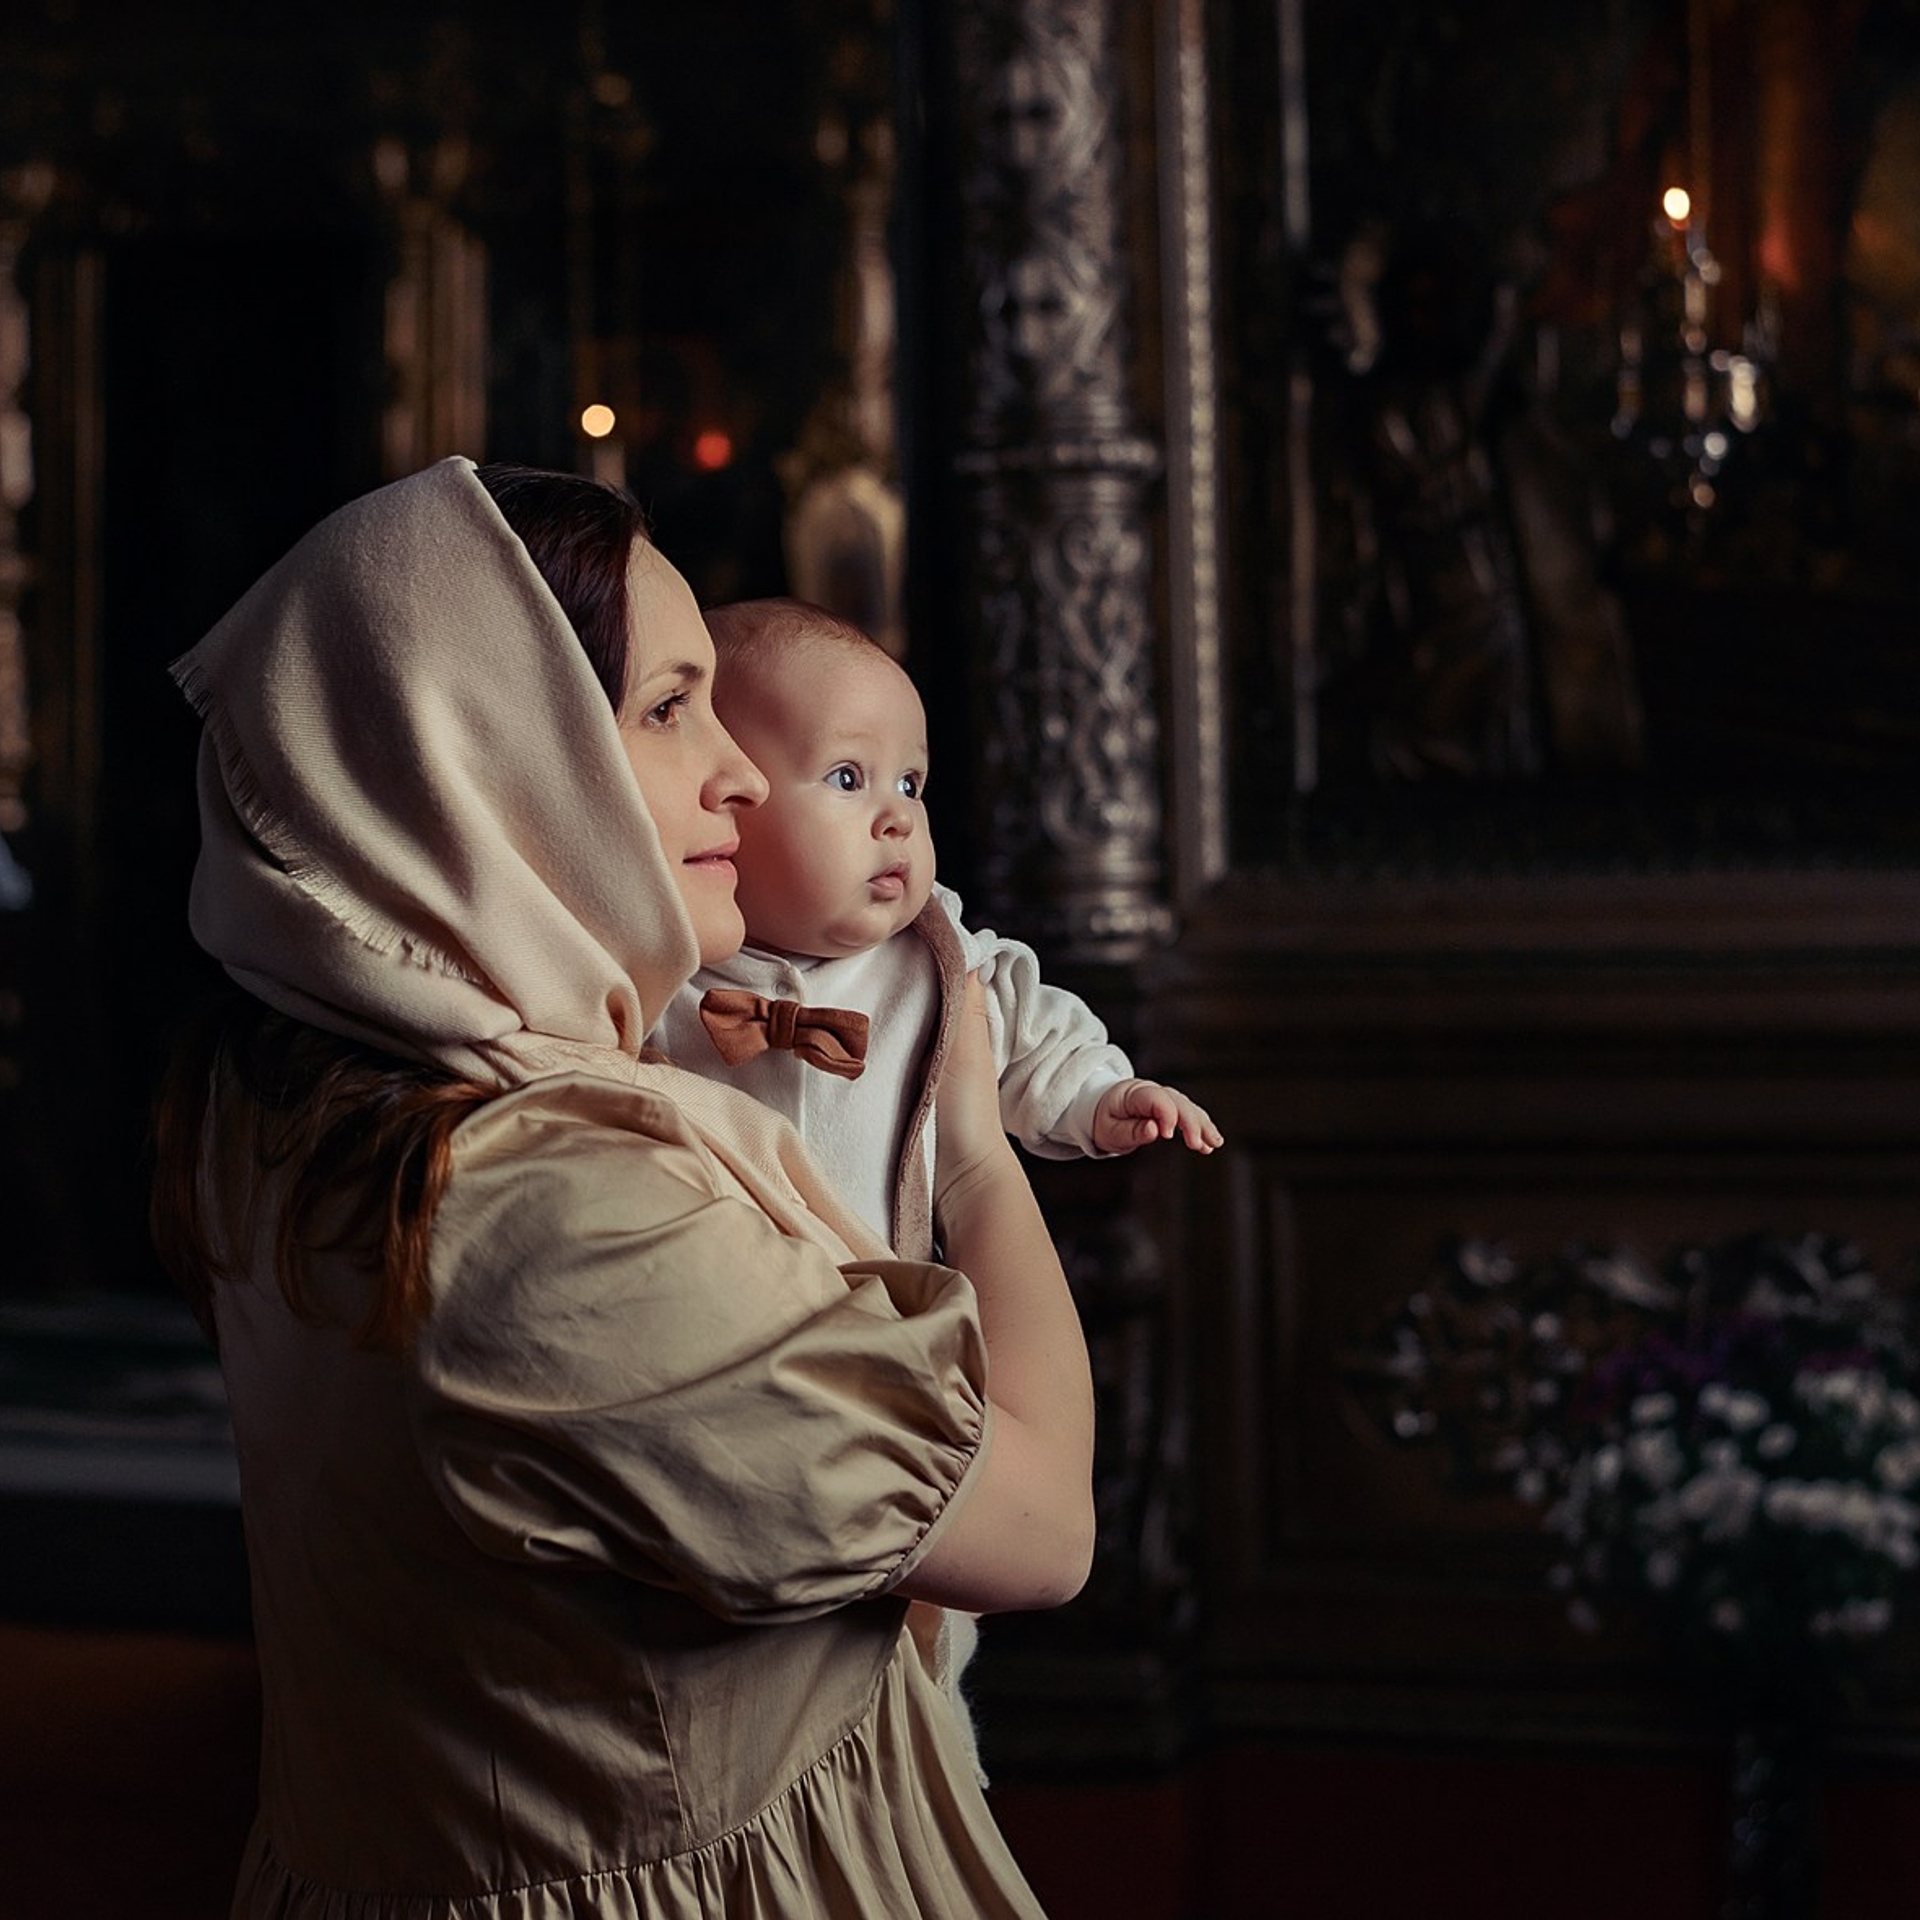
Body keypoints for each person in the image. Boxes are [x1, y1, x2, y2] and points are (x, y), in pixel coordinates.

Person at [150, 456, 1094, 1920]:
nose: (734, 771)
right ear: (493, 760)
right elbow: (1042, 1530)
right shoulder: (553, 1213)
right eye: (669, 708)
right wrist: (968, 1143)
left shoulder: (290, 1097)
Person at [649, 597, 1221, 1263]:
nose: (897, 817)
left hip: (898, 1305)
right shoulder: (664, 960)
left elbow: (1039, 1041)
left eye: (910, 784)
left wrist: (1102, 1095)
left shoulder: (938, 960)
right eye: (847, 777)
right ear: (729, 792)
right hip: (718, 1304)